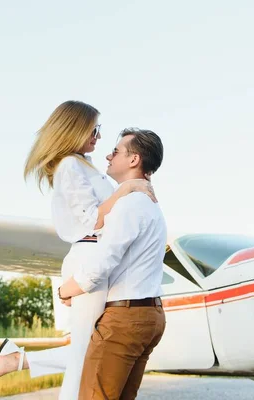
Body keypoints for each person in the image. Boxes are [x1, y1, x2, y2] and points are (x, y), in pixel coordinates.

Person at [0, 101, 156, 400]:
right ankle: (13, 361)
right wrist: (126, 190)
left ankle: (14, 361)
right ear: (74, 129)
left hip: (93, 256)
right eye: (92, 129)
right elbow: (91, 219)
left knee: (89, 349)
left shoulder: (83, 164)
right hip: (88, 254)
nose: (97, 136)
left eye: (99, 129)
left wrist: (136, 186)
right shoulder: (70, 165)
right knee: (85, 353)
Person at [59, 128, 167, 400]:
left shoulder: (129, 205)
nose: (108, 155)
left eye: (116, 151)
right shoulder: (150, 204)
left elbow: (103, 260)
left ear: (134, 160)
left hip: (125, 318)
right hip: (150, 314)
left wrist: (68, 289)